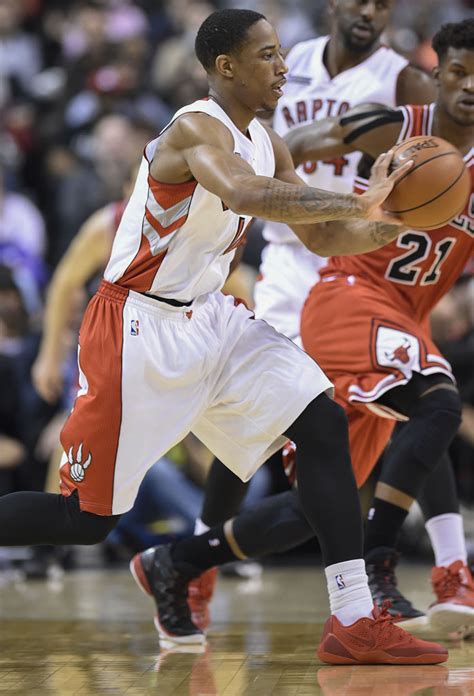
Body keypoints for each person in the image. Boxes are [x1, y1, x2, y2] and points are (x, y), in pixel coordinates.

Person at [0, 8, 446, 665]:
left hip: (209, 317)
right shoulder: (195, 130)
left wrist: (394, 221)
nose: (282, 66)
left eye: (280, 53)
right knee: (85, 522)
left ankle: (353, 618)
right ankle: (169, 569)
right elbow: (246, 193)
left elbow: (322, 236)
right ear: (224, 67)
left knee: (322, 422)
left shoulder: (270, 139)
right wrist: (358, 200)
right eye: (266, 55)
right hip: (137, 327)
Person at [151, 18, 474, 642]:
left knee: (328, 491)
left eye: (384, 2)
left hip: (373, 272)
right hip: (309, 262)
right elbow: (281, 148)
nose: (371, 10)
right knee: (254, 428)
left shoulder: (399, 78)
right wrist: (283, 194)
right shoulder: (281, 61)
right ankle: (424, 570)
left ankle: (183, 562)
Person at [291, 18, 474, 635]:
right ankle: (388, 565)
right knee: (440, 402)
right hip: (352, 292)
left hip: (407, 315)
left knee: (312, 503)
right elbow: (287, 150)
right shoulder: (395, 127)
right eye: (458, 72)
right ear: (436, 74)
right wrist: (307, 216)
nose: (469, 85)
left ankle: (181, 561)